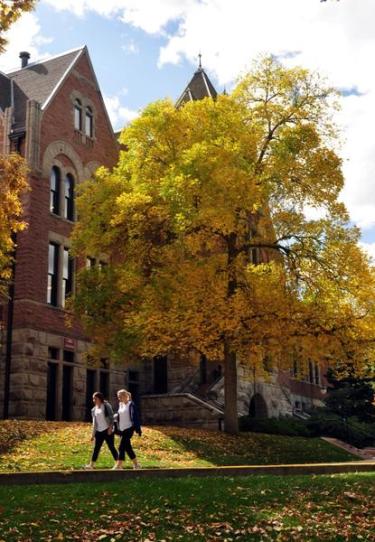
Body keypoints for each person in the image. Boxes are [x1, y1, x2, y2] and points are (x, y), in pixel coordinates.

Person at [84, 391, 118, 470]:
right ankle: (91, 465)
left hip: (107, 430)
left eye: (95, 398)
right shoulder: (93, 410)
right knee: (96, 448)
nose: (93, 400)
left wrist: (110, 428)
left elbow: (111, 418)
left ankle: (118, 464)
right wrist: (93, 435)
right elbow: (95, 423)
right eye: (93, 399)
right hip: (99, 432)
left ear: (99, 398)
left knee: (111, 447)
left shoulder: (106, 405)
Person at [113, 389, 142, 470]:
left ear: (125, 396)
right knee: (128, 448)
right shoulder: (120, 404)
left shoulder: (131, 404)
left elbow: (135, 416)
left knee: (121, 447)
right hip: (122, 429)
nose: (119, 398)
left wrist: (137, 428)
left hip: (129, 428)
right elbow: (120, 414)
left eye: (120, 397)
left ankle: (118, 465)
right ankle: (137, 464)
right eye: (118, 397)